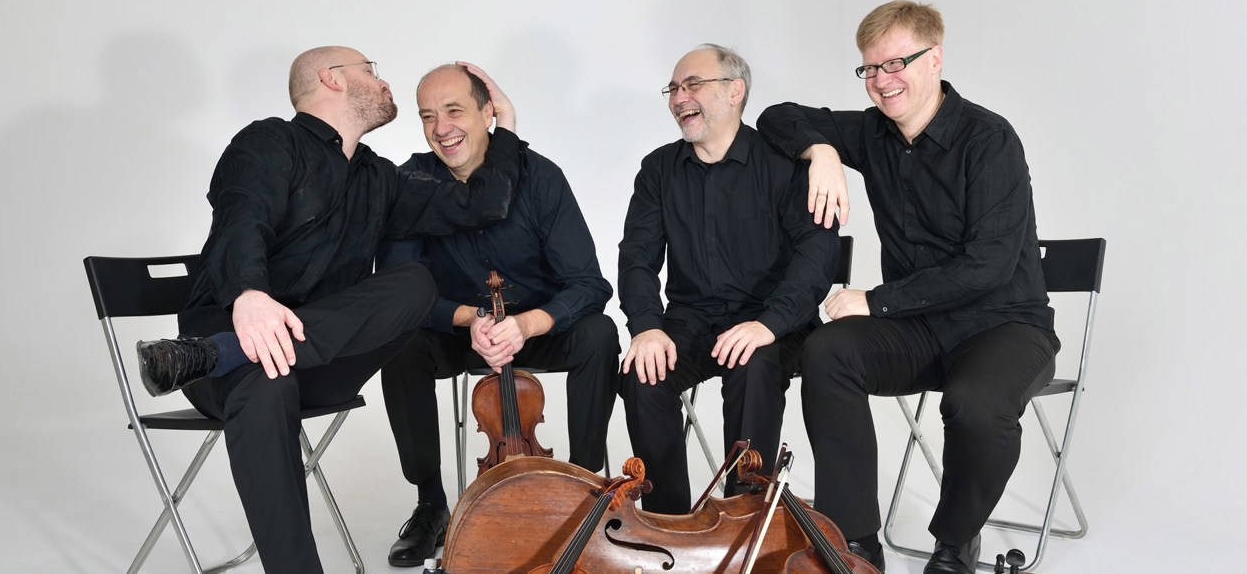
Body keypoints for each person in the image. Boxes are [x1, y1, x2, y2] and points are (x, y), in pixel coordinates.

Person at [134, 47, 523, 574]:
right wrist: (249, 295)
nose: (384, 83)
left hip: (289, 361)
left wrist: (505, 122)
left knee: (413, 282)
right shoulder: (269, 142)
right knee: (266, 382)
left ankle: (220, 352)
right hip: (235, 368)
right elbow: (241, 218)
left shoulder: (379, 178)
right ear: (332, 79)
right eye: (371, 70)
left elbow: (482, 203)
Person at [756, 1, 1060, 573]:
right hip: (920, 330)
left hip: (1005, 325)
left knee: (976, 403)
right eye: (870, 68)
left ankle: (955, 542)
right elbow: (776, 116)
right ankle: (853, 544)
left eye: (896, 63)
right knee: (828, 350)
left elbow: (988, 267)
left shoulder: (990, 140)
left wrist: (875, 300)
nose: (882, 80)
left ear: (935, 59)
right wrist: (822, 150)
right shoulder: (873, 133)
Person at [375, 64, 620, 567]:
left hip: (534, 325)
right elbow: (398, 290)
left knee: (599, 332)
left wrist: (528, 324)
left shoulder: (540, 177)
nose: (441, 128)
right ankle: (430, 504)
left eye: (454, 110)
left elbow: (589, 284)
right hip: (459, 330)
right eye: (427, 116)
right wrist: (466, 318)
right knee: (400, 344)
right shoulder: (410, 182)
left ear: (488, 113)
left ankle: (585, 490)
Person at [618, 44, 838, 516]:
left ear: (735, 91)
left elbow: (817, 255)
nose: (679, 98)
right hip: (692, 322)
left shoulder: (785, 165)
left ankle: (742, 518)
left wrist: (769, 324)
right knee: (642, 372)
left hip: (773, 323)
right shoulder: (658, 170)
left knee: (752, 364)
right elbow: (636, 257)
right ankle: (668, 522)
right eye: (673, 89)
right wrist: (646, 326)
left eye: (693, 84)